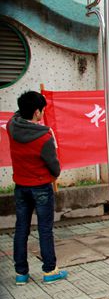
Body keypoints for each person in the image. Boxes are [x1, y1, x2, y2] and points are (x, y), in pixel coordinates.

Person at [7, 91, 68, 285]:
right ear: (36, 112)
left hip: (21, 186)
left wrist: (25, 107)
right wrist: (55, 174)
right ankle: (50, 270)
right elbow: (54, 166)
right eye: (42, 110)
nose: (43, 113)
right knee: (45, 229)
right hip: (41, 186)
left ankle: (21, 273)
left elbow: (17, 114)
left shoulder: (11, 126)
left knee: (21, 228)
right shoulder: (44, 137)